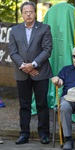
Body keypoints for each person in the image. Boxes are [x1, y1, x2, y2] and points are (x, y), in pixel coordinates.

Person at [9, 1, 53, 145]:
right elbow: (13, 52)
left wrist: (33, 65)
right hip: (22, 73)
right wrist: (25, 66)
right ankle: (24, 134)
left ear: (35, 13)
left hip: (41, 72)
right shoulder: (14, 31)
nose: (28, 14)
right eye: (25, 12)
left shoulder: (45, 28)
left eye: (31, 12)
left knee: (42, 104)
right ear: (22, 14)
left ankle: (44, 134)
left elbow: (47, 50)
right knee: (24, 105)